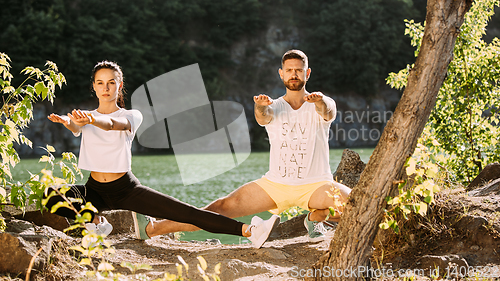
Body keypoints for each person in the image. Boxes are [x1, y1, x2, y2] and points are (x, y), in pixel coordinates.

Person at [44, 61, 279, 248]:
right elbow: (77, 128)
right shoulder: (86, 116)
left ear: (119, 84)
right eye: (100, 83)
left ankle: (249, 231)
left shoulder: (132, 115)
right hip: (94, 189)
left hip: (126, 190)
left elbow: (112, 124)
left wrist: (92, 119)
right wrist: (68, 122)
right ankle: (97, 222)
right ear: (93, 86)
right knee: (51, 195)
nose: (105, 88)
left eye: (111, 83)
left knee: (188, 213)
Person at [144, 49, 352, 241]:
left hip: (316, 186)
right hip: (275, 185)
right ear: (281, 73)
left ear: (307, 73)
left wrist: (319, 101)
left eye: (299, 70)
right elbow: (263, 118)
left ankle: (317, 217)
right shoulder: (274, 106)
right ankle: (154, 228)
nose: (294, 74)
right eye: (289, 70)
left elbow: (327, 112)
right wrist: (260, 106)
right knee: (220, 207)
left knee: (362, 208)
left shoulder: (322, 101)